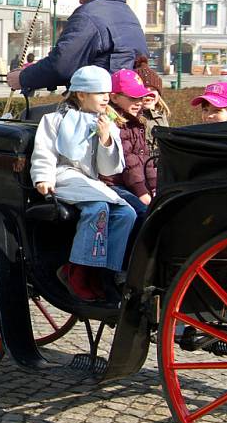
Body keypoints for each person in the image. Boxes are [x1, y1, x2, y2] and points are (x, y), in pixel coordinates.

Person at [30, 65, 136, 302]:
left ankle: (107, 272)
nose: (106, 98)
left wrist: (107, 139)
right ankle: (77, 269)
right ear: (81, 94)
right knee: (97, 209)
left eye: (107, 93)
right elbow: (44, 152)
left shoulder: (106, 123)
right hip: (63, 176)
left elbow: (109, 168)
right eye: (100, 93)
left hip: (89, 181)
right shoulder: (54, 120)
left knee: (126, 213)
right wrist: (43, 178)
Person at [7, 0, 148, 93]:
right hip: (129, 99)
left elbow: (61, 65)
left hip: (100, 103)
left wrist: (22, 78)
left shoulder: (88, 15)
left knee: (28, 114)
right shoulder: (129, 14)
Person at [100, 69, 156, 227]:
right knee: (143, 212)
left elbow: (145, 159)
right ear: (114, 97)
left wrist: (153, 186)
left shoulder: (135, 122)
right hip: (114, 183)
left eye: (141, 97)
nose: (139, 102)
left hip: (131, 183)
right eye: (133, 97)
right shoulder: (116, 123)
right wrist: (141, 191)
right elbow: (128, 161)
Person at [134, 57, 169, 153]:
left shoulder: (162, 114)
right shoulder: (134, 117)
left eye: (152, 89)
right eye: (143, 88)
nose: (148, 92)